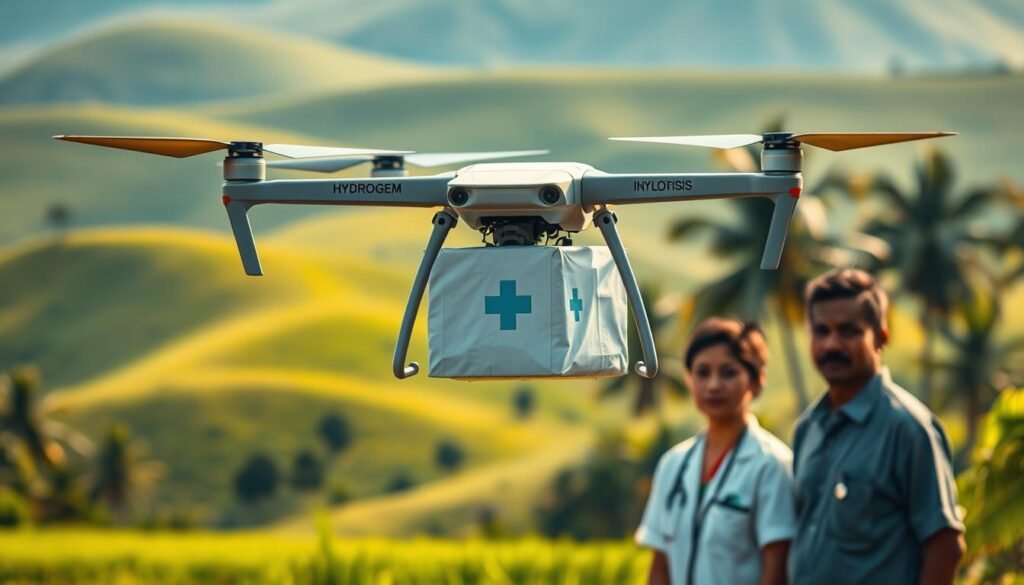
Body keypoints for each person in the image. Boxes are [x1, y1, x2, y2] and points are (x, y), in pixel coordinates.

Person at [790, 268, 966, 585]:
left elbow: (944, 546)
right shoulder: (808, 428)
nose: (832, 344)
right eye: (821, 331)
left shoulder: (908, 429)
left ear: (881, 336)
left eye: (848, 331)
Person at [636, 318, 796, 585]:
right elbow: (660, 564)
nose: (713, 385)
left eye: (728, 372)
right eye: (702, 372)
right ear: (688, 379)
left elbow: (776, 568)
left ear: (756, 381)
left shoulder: (772, 465)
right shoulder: (673, 464)